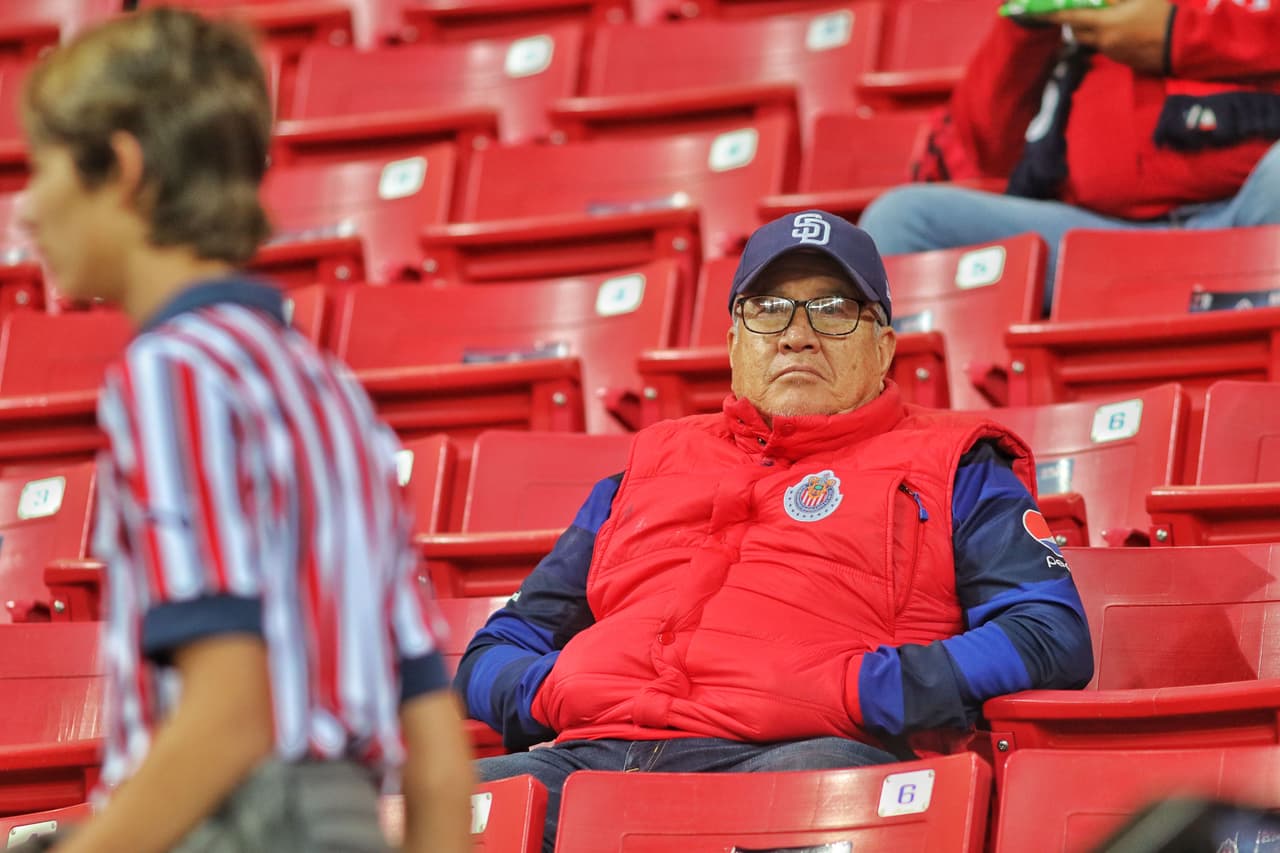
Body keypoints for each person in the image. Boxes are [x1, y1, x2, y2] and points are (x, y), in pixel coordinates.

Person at [455, 209, 1095, 851]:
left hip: (795, 763)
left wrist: (861, 689)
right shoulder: (646, 466)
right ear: (735, 343)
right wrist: (555, 690)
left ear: (885, 346)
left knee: (828, 792)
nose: (797, 335)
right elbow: (493, 652)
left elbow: (1049, 635)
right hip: (585, 763)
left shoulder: (956, 464)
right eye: (769, 309)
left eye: (833, 309)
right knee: (413, 814)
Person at [15, 9, 472, 852]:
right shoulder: (327, 386)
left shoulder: (170, 373)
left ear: (121, 167)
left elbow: (231, 714)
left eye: (37, 169)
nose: (27, 208)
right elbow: (438, 752)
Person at [859, 0, 1280, 314]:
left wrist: (1180, 34)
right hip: (1093, 248)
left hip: (1252, 224)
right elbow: (982, 156)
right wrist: (1026, 24)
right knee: (900, 222)